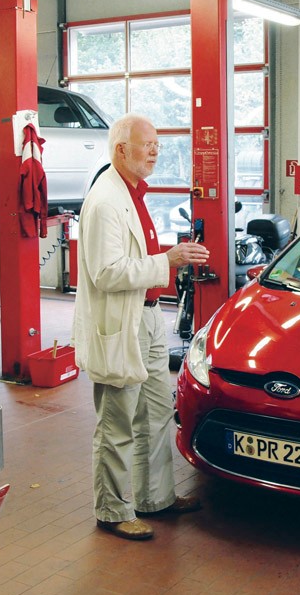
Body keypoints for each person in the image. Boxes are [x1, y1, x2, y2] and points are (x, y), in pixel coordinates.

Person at [72, 113, 211, 541]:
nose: (154, 151)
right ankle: (112, 510)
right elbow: (106, 272)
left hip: (148, 318)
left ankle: (156, 498)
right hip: (122, 324)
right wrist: (167, 261)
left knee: (154, 414)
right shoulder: (105, 201)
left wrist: (167, 261)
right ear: (120, 149)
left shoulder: (133, 193)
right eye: (147, 144)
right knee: (116, 423)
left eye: (157, 144)